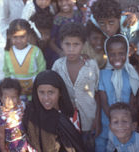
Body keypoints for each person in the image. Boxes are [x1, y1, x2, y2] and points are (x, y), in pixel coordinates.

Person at [52, 22, 99, 151]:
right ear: (61, 44)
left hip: (89, 120)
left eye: (76, 44)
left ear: (83, 45)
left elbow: (97, 92)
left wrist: (97, 119)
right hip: (66, 122)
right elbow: (54, 93)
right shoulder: (57, 66)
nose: (71, 49)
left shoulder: (91, 66)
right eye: (67, 44)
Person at [95, 34, 139, 152]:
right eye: (112, 54)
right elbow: (103, 102)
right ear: (107, 55)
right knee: (102, 145)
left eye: (121, 53)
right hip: (106, 123)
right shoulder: (103, 74)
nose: (117, 57)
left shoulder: (131, 74)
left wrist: (123, 122)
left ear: (127, 53)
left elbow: (132, 101)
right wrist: (114, 120)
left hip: (125, 125)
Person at [22, 70, 86, 152]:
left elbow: (75, 145)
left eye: (51, 92)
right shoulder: (30, 113)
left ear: (60, 93)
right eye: (41, 92)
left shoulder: (70, 114)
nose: (46, 98)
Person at [3, 19, 46, 101]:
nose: (19, 41)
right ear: (10, 36)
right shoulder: (8, 52)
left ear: (29, 35)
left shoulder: (36, 51)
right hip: (15, 94)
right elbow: (6, 72)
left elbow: (42, 70)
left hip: (34, 91)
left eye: (22, 37)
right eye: (15, 37)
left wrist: (36, 85)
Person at [0, 78, 35, 151]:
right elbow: (1, 134)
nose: (10, 101)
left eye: (13, 97)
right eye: (6, 97)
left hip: (25, 140)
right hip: (12, 145)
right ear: (0, 98)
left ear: (18, 97)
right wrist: (3, 149)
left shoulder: (21, 105)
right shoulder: (1, 115)